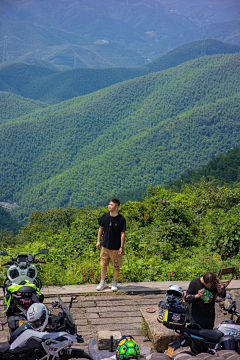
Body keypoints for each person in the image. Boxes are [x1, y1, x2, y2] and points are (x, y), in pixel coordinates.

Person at [96, 198, 126, 291]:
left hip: (116, 248)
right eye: (109, 204)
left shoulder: (121, 219)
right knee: (103, 264)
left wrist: (121, 246)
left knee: (116, 266)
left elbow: (122, 233)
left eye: (111, 205)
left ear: (117, 207)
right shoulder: (105, 216)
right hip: (105, 246)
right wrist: (98, 241)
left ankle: (114, 282)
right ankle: (103, 281)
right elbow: (101, 228)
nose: (109, 206)